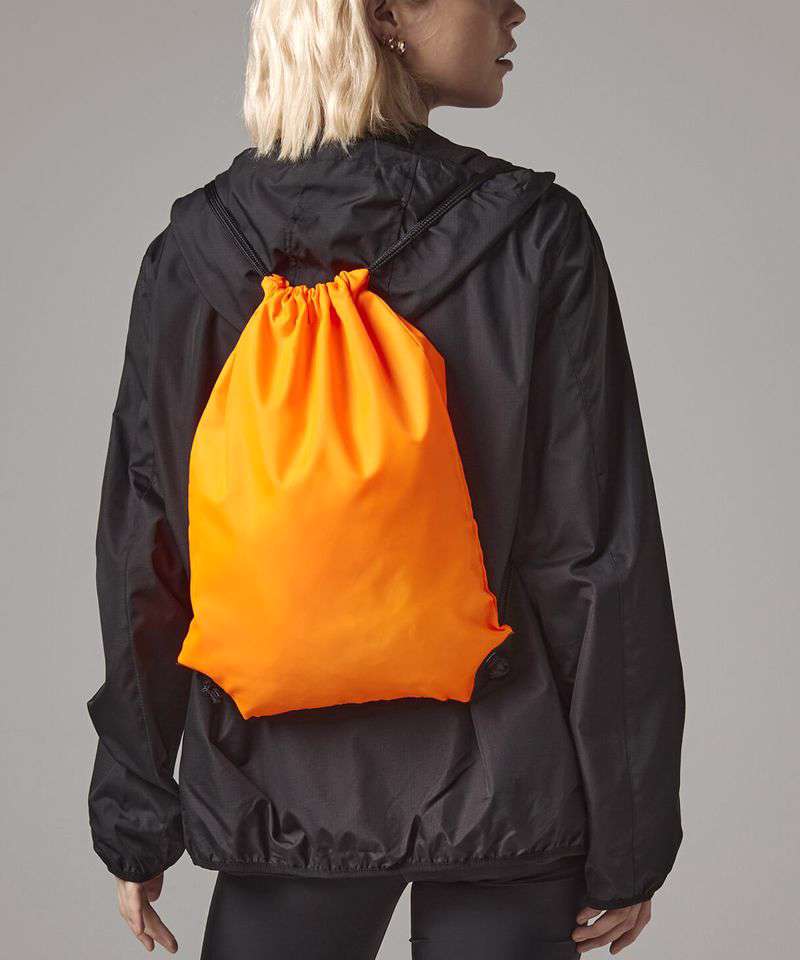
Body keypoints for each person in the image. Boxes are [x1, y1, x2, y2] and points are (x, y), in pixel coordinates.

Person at [86, 1, 686, 957]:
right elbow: (594, 556)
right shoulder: (536, 238)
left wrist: (135, 811)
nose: (514, 10)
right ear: (387, 12)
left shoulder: (194, 250)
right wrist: (631, 838)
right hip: (506, 779)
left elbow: (147, 550)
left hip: (276, 788)